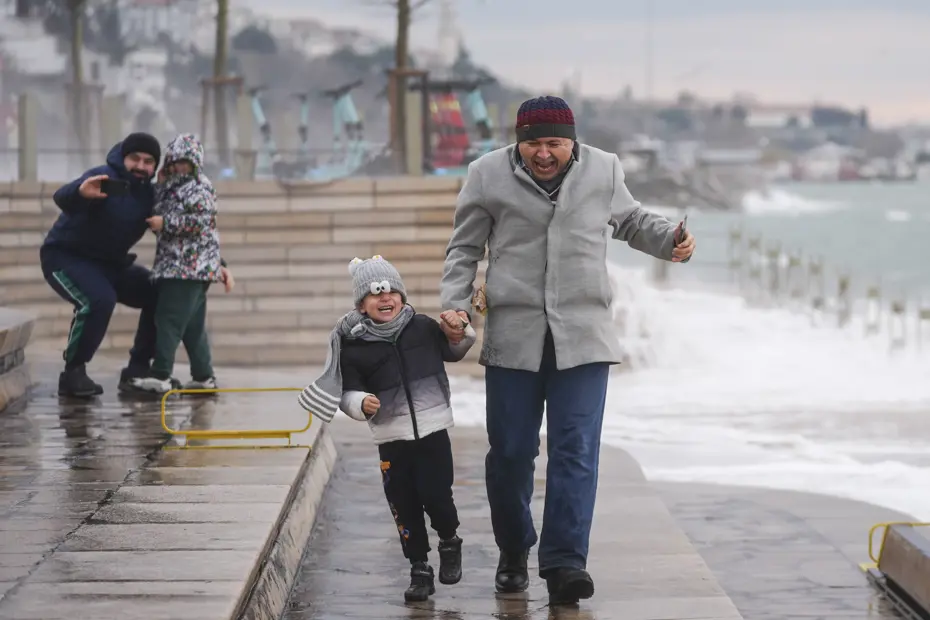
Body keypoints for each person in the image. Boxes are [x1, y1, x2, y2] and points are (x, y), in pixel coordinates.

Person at [439, 96, 696, 606]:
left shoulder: (605, 169)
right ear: (519, 140)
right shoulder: (487, 174)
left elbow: (632, 221)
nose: (543, 153)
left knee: (575, 450)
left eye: (554, 143)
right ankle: (514, 550)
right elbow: (464, 248)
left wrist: (671, 240)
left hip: (584, 335)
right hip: (515, 336)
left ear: (571, 141)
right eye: (533, 143)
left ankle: (564, 563)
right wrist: (455, 305)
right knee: (511, 452)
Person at [297, 255, 477, 603]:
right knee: (403, 503)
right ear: (362, 305)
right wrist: (359, 402)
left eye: (392, 290)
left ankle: (450, 539)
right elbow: (348, 391)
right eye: (376, 293)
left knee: (437, 495)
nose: (386, 297)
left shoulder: (423, 327)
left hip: (433, 432)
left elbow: (455, 349)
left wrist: (459, 329)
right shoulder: (355, 347)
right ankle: (419, 568)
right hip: (392, 440)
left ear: (402, 295)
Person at [40, 132, 234, 398]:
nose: (141, 167)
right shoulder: (104, 178)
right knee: (99, 300)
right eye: (135, 159)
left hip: (112, 265)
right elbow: (62, 196)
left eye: (148, 162)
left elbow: (187, 232)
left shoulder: (149, 196)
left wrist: (216, 263)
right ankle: (73, 371)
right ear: (123, 157)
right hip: (66, 258)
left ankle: (138, 370)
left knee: (159, 293)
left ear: (156, 166)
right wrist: (80, 192)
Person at [130, 133, 230, 394]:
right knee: (192, 327)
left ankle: (161, 374)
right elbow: (161, 209)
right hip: (182, 267)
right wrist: (161, 186)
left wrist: (166, 223)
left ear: (195, 162)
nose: (178, 167)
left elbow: (202, 222)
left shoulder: (200, 187)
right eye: (174, 162)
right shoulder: (173, 186)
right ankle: (203, 376)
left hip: (186, 269)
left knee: (168, 320)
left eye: (184, 162)